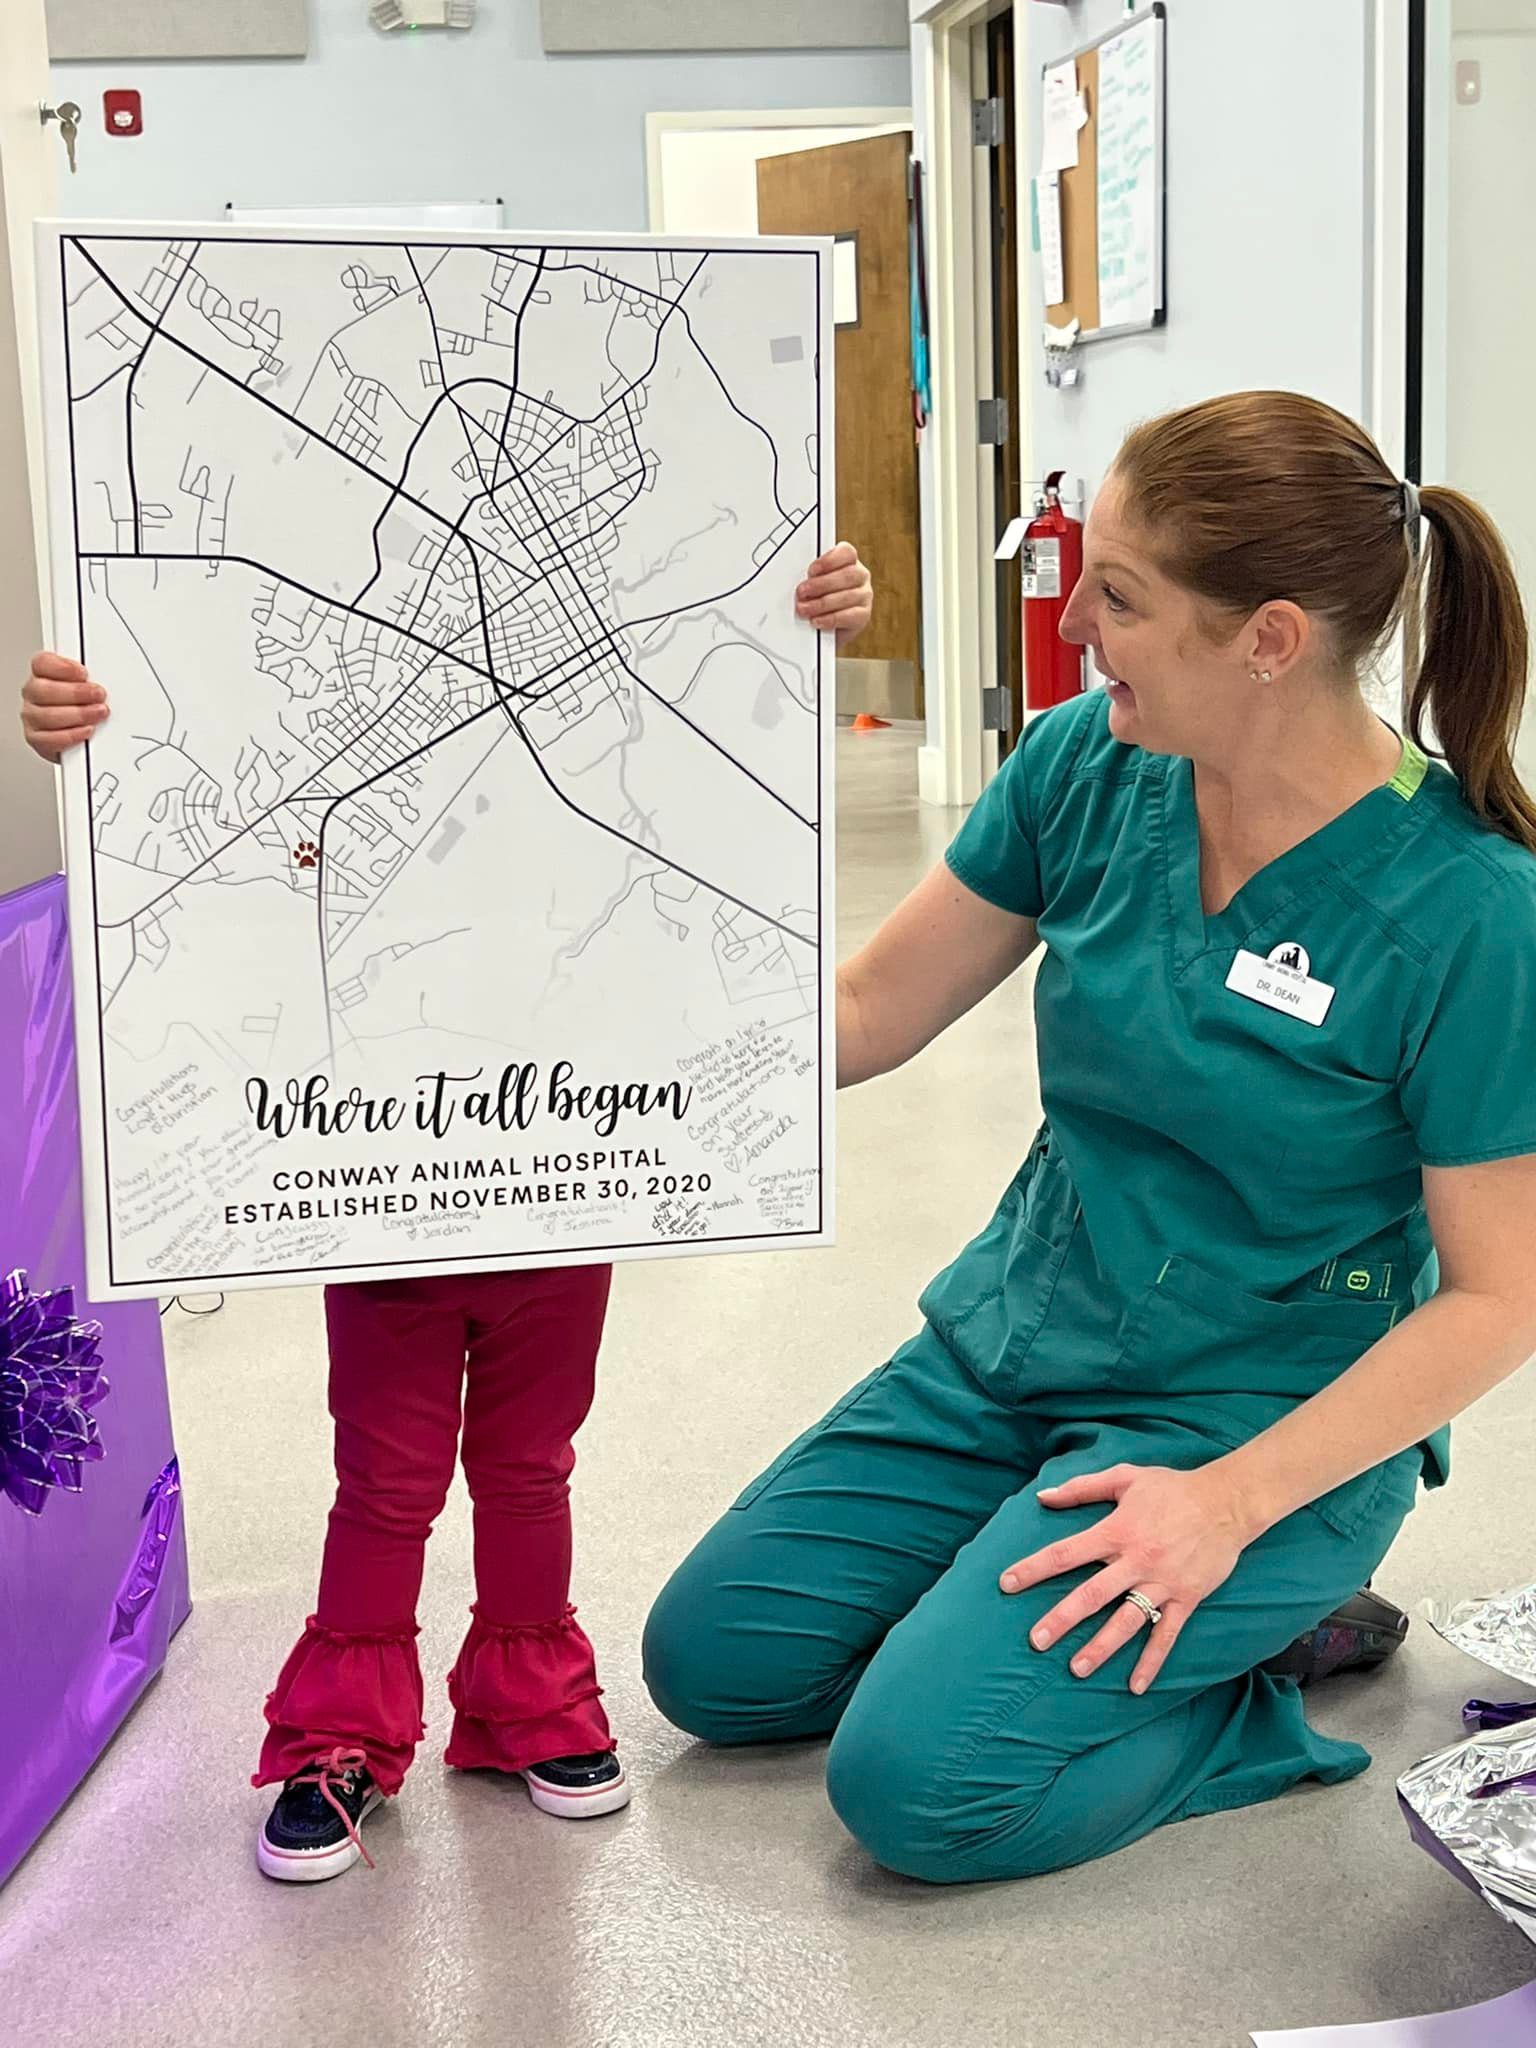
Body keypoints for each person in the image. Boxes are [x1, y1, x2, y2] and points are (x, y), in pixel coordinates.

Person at [642, 391, 1536, 1886]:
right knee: (716, 1666)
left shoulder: (1469, 910)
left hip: (1252, 1425)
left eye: (1116, 598)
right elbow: (868, 1008)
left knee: (921, 1790)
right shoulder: (1083, 768)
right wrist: (587, 1057)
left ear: (1265, 638)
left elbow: (1502, 1296)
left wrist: (1230, 1504)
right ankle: (1040, 1610)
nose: (1073, 630)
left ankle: (1255, 1676)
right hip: (1021, 1342)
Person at [20, 542, 874, 1882]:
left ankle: (527, 1701)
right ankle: (342, 1736)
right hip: (383, 1168)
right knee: (391, 1473)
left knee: (531, 1459)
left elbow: (706, 764)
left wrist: (793, 621)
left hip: (557, 1152)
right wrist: (97, 733)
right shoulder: (322, 686)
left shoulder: (581, 700)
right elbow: (202, 811)